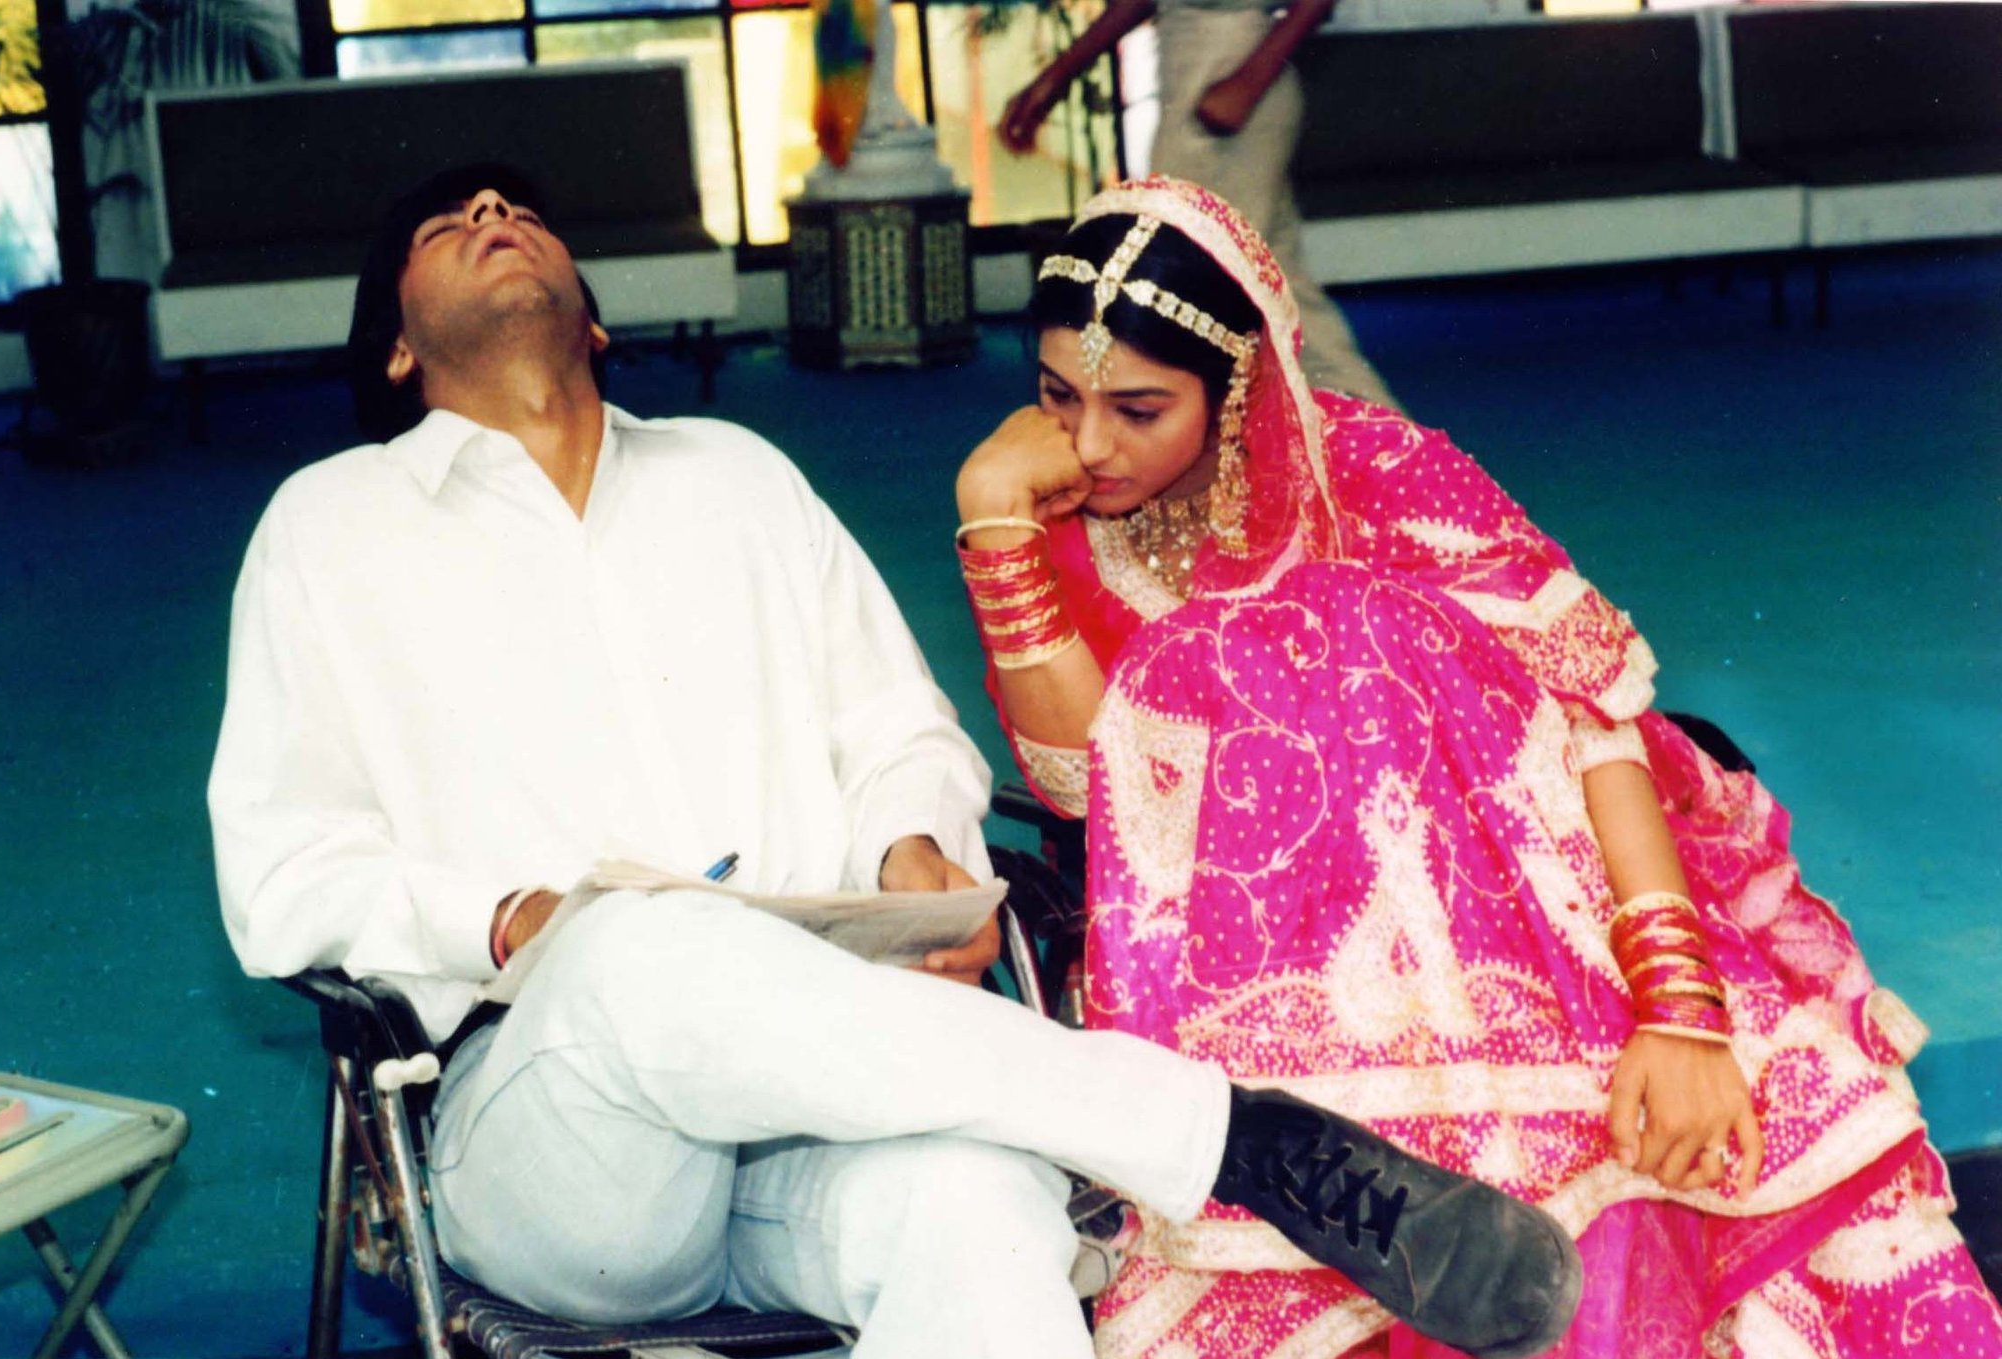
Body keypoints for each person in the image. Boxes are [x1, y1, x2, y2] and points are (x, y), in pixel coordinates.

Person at [206, 164, 1587, 1359]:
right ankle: (1229, 1138)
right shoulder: (329, 529)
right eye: (447, 224)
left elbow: (899, 730)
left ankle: (1193, 1136)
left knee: (984, 1212)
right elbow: (281, 873)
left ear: (599, 320)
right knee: (633, 939)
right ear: (398, 349)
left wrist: (914, 844)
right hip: (558, 1138)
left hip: (831, 1102)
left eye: (516, 209)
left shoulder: (734, 476)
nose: (491, 211)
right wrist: (508, 919)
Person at [953, 175, 2002, 1359]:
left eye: (1137, 408)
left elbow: (1596, 732)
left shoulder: (1378, 477)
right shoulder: (1047, 510)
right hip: (1237, 981)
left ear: (1236, 386)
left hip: (1526, 937)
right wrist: (995, 525)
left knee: (1349, 629)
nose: (1087, 444)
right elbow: (1087, 789)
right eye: (1056, 395)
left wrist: (1679, 1013)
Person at [997, 0, 1396, 410]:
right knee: (1269, 280)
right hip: (1192, 81)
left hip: (1236, 83)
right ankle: (1372, 426)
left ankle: (1370, 424)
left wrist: (1248, 82)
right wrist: (1055, 77)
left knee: (1214, 276)